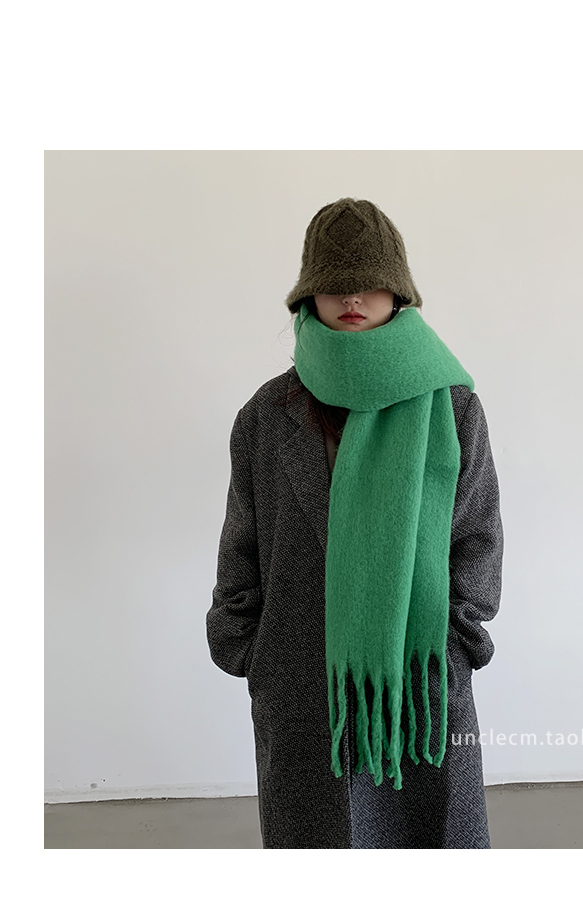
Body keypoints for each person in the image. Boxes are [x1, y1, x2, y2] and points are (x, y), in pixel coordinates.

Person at [206, 197, 504, 848]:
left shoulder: (451, 407)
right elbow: (242, 544)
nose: (351, 297)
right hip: (301, 686)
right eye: (334, 282)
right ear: (307, 294)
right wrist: (251, 650)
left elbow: (477, 538)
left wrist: (456, 643)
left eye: (369, 281)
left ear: (398, 292)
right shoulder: (266, 415)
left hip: (418, 686)